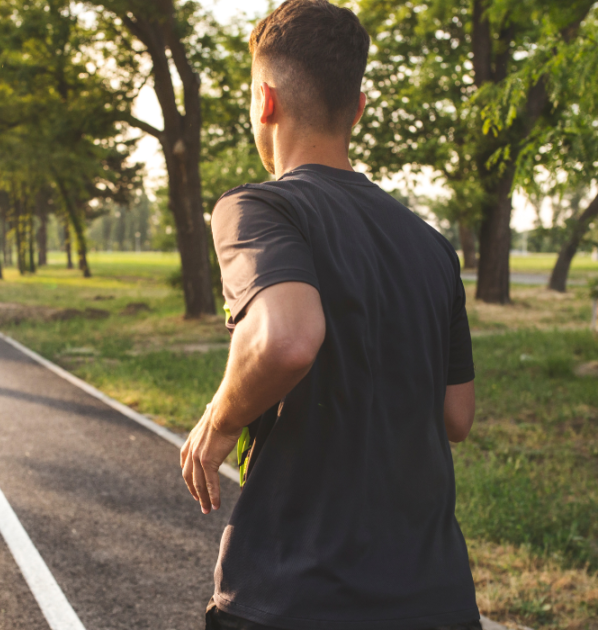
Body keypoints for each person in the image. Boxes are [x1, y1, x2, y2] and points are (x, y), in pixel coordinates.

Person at [179, 2, 481, 629]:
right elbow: (457, 416)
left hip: (297, 596)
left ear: (265, 100)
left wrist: (219, 420)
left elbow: (288, 339)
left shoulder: (256, 209)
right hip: (437, 599)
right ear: (359, 108)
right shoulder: (431, 245)